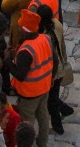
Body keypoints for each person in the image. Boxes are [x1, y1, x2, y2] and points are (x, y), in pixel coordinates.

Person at [11, 10, 54, 147]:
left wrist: (7, 62)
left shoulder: (26, 50)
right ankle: (43, 143)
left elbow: (20, 75)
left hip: (29, 93)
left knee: (27, 125)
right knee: (43, 117)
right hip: (44, 87)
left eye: (20, 26)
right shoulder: (45, 38)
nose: (18, 28)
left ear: (25, 30)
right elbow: (55, 60)